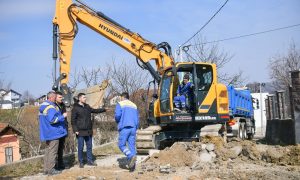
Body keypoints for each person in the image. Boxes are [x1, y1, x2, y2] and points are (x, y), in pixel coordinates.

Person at [71, 93, 106, 168]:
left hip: (88, 130)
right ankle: (81, 162)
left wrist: (104, 109)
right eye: (84, 97)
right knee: (80, 147)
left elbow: (94, 110)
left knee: (89, 146)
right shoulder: (75, 108)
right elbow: (73, 121)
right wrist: (75, 130)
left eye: (85, 97)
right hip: (80, 131)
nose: (85, 99)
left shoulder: (87, 106)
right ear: (79, 98)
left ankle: (90, 161)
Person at [39, 91, 67, 175]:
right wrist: (63, 116)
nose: (55, 99)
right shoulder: (51, 107)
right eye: (55, 98)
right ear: (51, 98)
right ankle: (51, 170)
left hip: (47, 132)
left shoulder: (43, 106)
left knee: (48, 151)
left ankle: (46, 169)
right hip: (54, 132)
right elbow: (52, 120)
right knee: (53, 152)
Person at [115, 92, 139, 171]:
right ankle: (132, 167)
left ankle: (130, 156)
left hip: (125, 127)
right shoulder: (134, 105)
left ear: (122, 97)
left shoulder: (120, 104)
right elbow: (137, 118)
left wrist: (117, 121)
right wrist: (136, 127)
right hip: (133, 128)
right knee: (132, 146)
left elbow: (117, 116)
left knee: (121, 145)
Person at [55, 91, 68, 170]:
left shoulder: (63, 105)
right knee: (55, 149)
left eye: (62, 97)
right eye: (60, 97)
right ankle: (55, 165)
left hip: (63, 129)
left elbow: (65, 117)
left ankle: (60, 163)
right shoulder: (53, 106)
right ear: (55, 97)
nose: (61, 98)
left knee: (61, 148)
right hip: (56, 130)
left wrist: (66, 127)